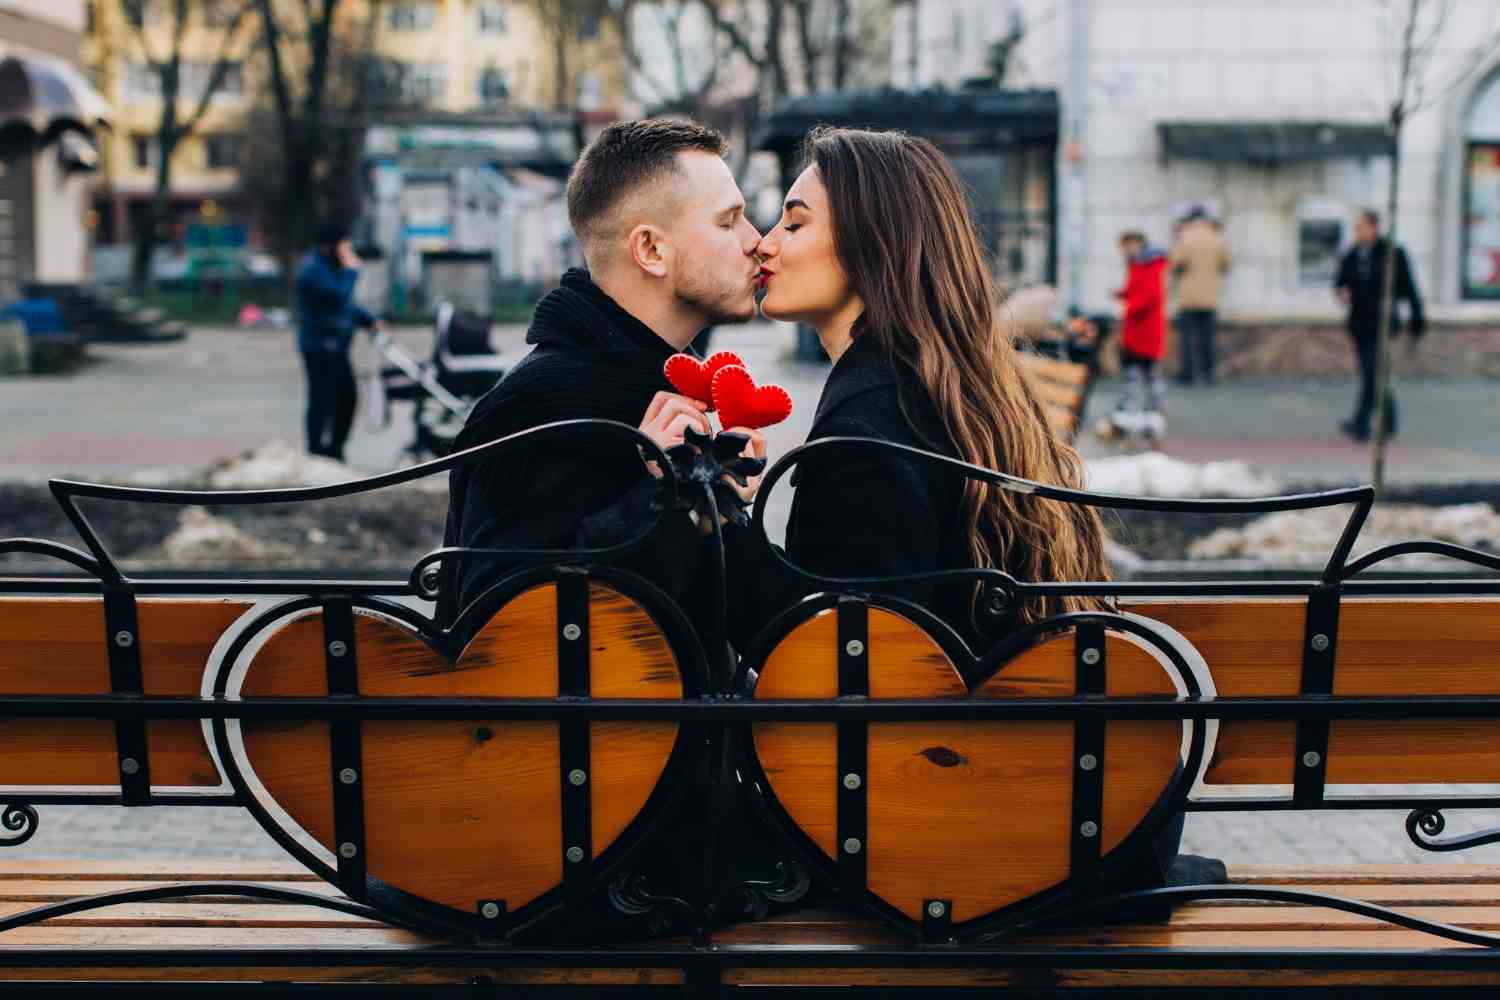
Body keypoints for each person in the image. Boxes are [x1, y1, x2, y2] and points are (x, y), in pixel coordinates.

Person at [734, 125, 1219, 907]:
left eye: (794, 221)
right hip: (1063, 808)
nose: (764, 244)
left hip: (966, 839)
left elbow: (838, 669)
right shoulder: (961, 391)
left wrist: (723, 518)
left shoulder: (867, 428)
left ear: (871, 243)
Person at [439, 118, 764, 635]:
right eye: (729, 223)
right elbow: (505, 642)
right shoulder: (540, 409)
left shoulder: (657, 391)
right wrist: (665, 500)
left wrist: (716, 504)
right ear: (651, 250)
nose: (757, 243)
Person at [1334, 208, 1425, 442]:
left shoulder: (1392, 253)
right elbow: (1341, 280)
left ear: (1374, 227)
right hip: (1359, 323)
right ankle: (1388, 422)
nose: (1357, 232)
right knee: (1373, 373)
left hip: (1382, 322)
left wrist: (1417, 319)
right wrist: (1342, 290)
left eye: (1360, 227)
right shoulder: (1353, 253)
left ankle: (1361, 424)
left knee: (1373, 372)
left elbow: (1409, 287)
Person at [295, 225, 382, 461]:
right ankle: (316, 451)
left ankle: (334, 448)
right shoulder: (312, 270)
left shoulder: (328, 267)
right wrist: (352, 270)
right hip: (320, 346)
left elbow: (345, 306)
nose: (347, 252)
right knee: (322, 399)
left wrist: (370, 321)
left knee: (346, 398)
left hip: (336, 345)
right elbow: (338, 296)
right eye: (344, 247)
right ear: (329, 247)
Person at [1168, 206, 1231, 385]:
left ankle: (1188, 374)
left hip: (1188, 296)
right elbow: (1226, 264)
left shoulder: (1184, 237)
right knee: (1208, 337)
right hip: (1210, 296)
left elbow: (1175, 264)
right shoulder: (1217, 237)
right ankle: (1209, 373)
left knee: (1187, 337)